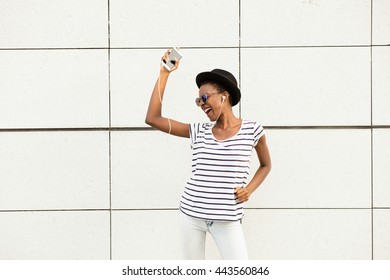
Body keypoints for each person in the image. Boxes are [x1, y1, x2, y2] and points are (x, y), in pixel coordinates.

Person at [145, 49, 271, 260]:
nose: (202, 104)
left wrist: (249, 189)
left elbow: (266, 165)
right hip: (191, 217)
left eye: (204, 97)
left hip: (227, 220)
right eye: (198, 101)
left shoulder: (252, 130)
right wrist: (164, 73)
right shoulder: (198, 131)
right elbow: (153, 118)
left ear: (224, 96)